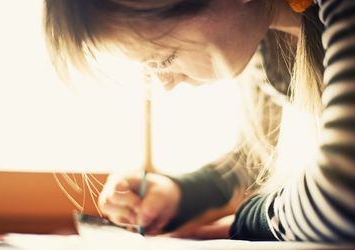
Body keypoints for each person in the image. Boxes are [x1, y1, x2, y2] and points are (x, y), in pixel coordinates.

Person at [44, 0, 355, 242]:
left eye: (164, 58)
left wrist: (242, 224)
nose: (163, 84)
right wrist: (181, 193)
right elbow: (254, 158)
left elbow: (340, 195)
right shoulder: (266, 40)